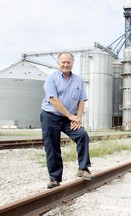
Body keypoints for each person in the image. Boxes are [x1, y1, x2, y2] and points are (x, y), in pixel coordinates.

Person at [40, 51, 94, 189]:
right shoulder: (51, 78)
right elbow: (53, 100)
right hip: (50, 116)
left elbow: (81, 100)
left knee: (82, 135)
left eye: (68, 62)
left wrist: (78, 118)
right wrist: (71, 116)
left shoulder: (78, 80)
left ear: (72, 63)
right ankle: (55, 178)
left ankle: (83, 168)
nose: (65, 64)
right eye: (63, 62)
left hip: (69, 118)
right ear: (58, 63)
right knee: (52, 146)